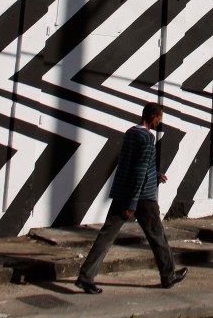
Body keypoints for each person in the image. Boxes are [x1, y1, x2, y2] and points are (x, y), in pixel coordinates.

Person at [74, 103, 188, 294]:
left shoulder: (130, 133)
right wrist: (133, 203)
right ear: (152, 117)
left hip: (122, 191)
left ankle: (85, 277)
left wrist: (155, 173)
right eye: (160, 117)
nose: (161, 121)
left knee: (107, 235)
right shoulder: (147, 138)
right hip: (142, 196)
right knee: (157, 236)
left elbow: (136, 164)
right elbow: (140, 170)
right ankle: (168, 277)